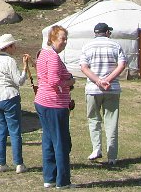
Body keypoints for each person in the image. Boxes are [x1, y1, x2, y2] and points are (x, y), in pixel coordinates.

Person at [79, 22, 127, 166]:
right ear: (106, 32)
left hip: (93, 89)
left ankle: (96, 149)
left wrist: (98, 81)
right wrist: (108, 80)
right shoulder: (115, 45)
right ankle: (112, 156)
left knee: (94, 119)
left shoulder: (87, 46)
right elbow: (122, 64)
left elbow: (84, 67)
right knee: (111, 122)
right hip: (112, 89)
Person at [0, 33, 30, 174]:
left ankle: (0, 162)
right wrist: (25, 69)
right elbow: (19, 81)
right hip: (9, 97)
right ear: (8, 47)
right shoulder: (10, 61)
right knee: (15, 131)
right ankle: (19, 163)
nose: (15, 47)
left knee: (0, 131)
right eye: (13, 45)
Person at [35, 25, 75, 189]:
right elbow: (53, 81)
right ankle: (62, 181)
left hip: (43, 101)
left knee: (49, 141)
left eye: (66, 39)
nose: (64, 42)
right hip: (54, 103)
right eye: (62, 39)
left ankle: (49, 178)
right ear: (52, 39)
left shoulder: (43, 54)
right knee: (61, 142)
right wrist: (70, 82)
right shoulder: (52, 57)